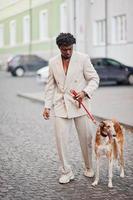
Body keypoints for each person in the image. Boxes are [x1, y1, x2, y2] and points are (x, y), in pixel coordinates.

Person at [43, 33, 99, 184]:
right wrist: (47, 106)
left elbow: (94, 79)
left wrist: (85, 92)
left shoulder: (83, 58)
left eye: (70, 49)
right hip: (61, 104)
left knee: (86, 138)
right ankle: (66, 172)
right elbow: (50, 86)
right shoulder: (53, 62)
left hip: (80, 103)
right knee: (61, 140)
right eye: (64, 49)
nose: (67, 52)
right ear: (59, 48)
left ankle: (88, 167)